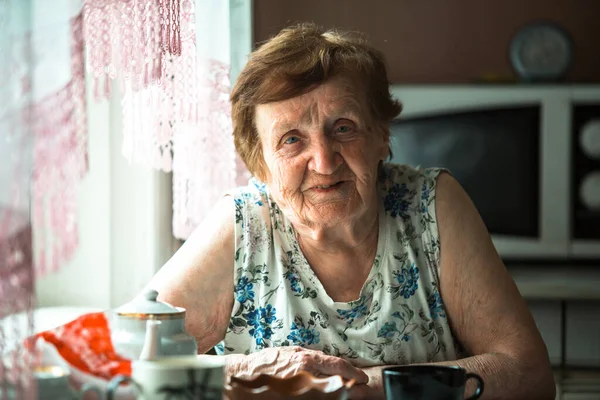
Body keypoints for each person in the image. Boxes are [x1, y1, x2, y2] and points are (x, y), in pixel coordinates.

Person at [144, 23, 555, 399]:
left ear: (381, 134)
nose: (323, 161)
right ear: (259, 163)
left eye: (343, 128)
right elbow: (130, 364)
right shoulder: (243, 225)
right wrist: (250, 370)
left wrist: (364, 388)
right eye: (291, 140)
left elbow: (530, 374)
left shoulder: (432, 205)